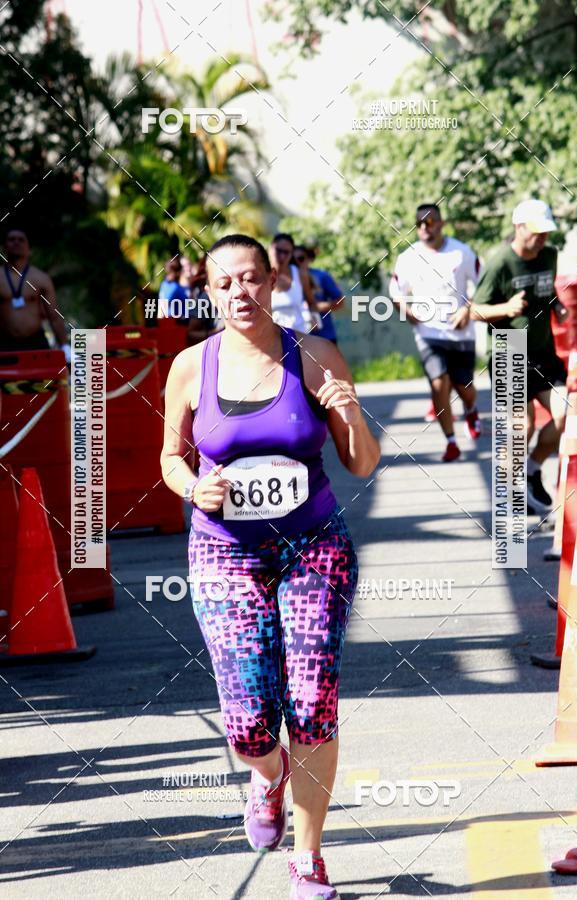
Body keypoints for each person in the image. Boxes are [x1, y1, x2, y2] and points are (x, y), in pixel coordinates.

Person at [161, 233, 380, 899]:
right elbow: (171, 459)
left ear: (273, 278)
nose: (241, 293)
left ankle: (307, 858)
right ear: (208, 290)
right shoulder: (191, 367)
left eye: (252, 278)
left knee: (312, 701)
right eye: (225, 283)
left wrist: (350, 415)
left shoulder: (314, 354)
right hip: (225, 552)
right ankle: (266, 774)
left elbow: (362, 464)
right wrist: (191, 487)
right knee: (249, 721)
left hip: (313, 547)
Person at [471, 198, 569, 514]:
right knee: (520, 426)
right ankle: (511, 490)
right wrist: (505, 309)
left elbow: (547, 287)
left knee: (566, 414)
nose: (542, 238)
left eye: (546, 232)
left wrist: (556, 306)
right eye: (536, 232)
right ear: (519, 227)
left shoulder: (550, 255)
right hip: (509, 350)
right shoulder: (500, 263)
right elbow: (473, 310)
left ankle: (531, 469)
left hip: (543, 351)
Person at [390, 203, 482, 462]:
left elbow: (483, 285)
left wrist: (468, 309)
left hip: (461, 332)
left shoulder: (461, 253)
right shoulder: (408, 258)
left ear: (441, 224)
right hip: (428, 332)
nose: (424, 228)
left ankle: (471, 409)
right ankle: (451, 442)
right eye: (419, 223)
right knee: (439, 382)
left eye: (429, 223)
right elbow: (396, 292)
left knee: (464, 387)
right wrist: (406, 309)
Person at [0, 228, 69, 355]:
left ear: (28, 249)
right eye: (11, 240)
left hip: (36, 342)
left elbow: (54, 317)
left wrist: (65, 347)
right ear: (4, 247)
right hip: (4, 343)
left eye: (21, 240)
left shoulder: (41, 278)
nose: (16, 243)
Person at [294, 244, 344, 344]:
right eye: (292, 260)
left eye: (300, 258)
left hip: (324, 335)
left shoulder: (321, 276)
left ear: (308, 258)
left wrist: (317, 307)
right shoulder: (284, 281)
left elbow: (340, 301)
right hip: (298, 338)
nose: (297, 262)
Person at [269, 233, 317, 334]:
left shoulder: (300, 274)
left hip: (298, 336)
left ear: (291, 254)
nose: (282, 256)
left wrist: (314, 319)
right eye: (278, 250)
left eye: (286, 252)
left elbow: (312, 303)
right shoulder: (260, 275)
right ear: (270, 249)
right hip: (272, 338)